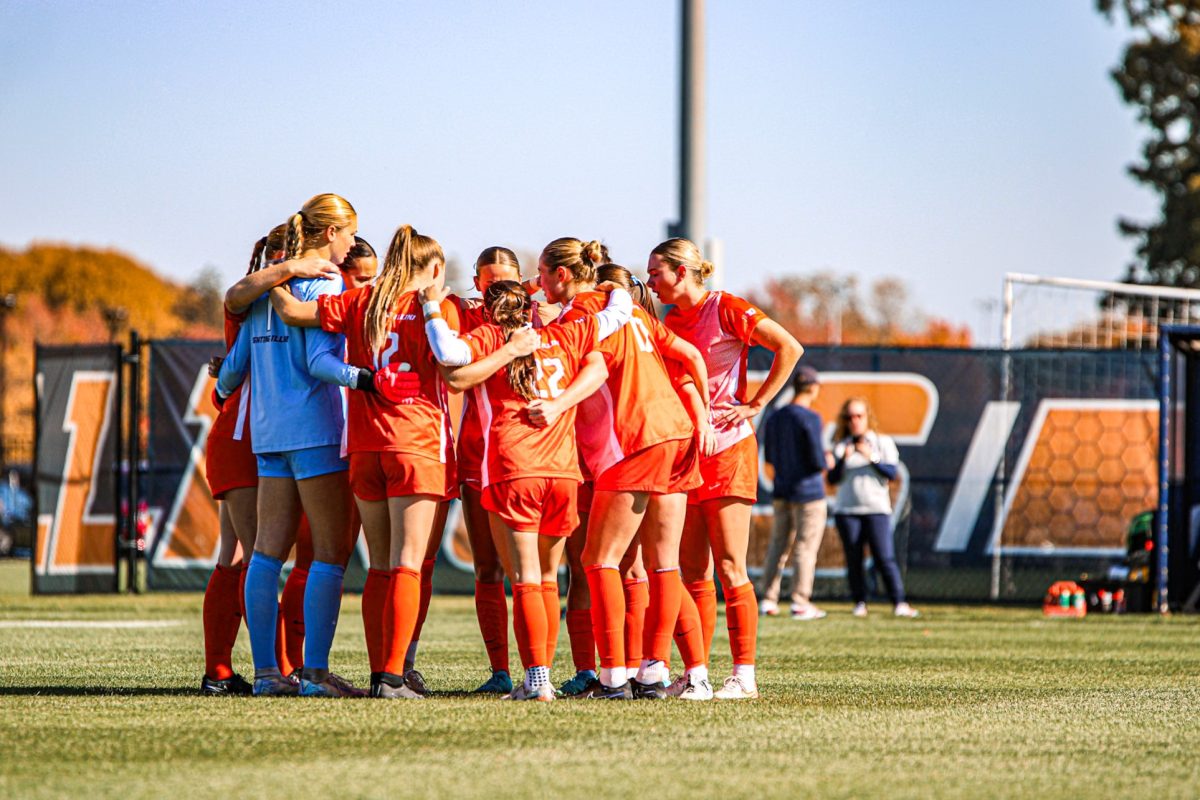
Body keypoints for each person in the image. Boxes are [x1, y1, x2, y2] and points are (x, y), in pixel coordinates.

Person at [270, 224, 488, 698]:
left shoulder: (358, 301)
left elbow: (290, 311)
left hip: (366, 447)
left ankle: (378, 674)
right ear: (433, 269)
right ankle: (392, 677)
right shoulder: (435, 307)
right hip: (417, 445)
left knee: (383, 568)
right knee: (410, 565)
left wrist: (281, 268)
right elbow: (457, 367)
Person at [422, 278, 633, 701]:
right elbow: (618, 315)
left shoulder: (489, 337)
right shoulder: (565, 333)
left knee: (525, 581)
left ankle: (537, 681)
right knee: (550, 581)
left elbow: (450, 358)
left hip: (514, 467)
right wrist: (613, 286)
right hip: (563, 473)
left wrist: (431, 305)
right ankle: (546, 676)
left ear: (489, 309)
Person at [217, 193, 370, 697]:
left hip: (268, 435)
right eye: (349, 233)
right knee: (328, 555)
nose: (351, 245)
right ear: (331, 233)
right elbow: (318, 363)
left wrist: (219, 392)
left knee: (265, 555)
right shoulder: (324, 280)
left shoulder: (269, 286)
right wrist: (365, 378)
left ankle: (266, 675)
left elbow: (235, 366)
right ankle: (315, 677)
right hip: (314, 430)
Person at [646, 237, 803, 700]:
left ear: (681, 272)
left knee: (731, 567)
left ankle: (744, 675)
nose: (652, 280)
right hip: (688, 449)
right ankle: (697, 674)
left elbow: (789, 348)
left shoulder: (726, 307)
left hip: (729, 447)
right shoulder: (670, 319)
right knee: (691, 571)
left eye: (657, 272)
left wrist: (756, 404)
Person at [199, 223, 286, 696]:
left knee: (236, 556)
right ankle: (277, 669)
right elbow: (235, 296)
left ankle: (220, 671)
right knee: (259, 559)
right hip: (245, 436)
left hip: (244, 431)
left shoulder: (275, 298)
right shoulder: (260, 299)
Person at [828, 397, 919, 618]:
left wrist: (872, 458)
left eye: (859, 416)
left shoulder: (882, 441)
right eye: (849, 417)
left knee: (884, 557)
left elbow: (891, 473)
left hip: (877, 509)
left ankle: (899, 602)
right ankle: (860, 602)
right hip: (848, 511)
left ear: (867, 417)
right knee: (854, 559)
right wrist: (844, 459)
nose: (854, 421)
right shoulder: (841, 445)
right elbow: (832, 479)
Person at [759, 366, 831, 621]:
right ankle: (800, 601)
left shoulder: (775, 417)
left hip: (781, 489)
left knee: (778, 545)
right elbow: (816, 459)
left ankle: (768, 599)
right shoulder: (810, 417)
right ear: (813, 387)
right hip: (809, 492)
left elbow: (768, 456)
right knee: (804, 546)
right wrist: (828, 461)